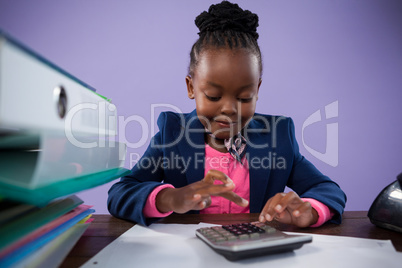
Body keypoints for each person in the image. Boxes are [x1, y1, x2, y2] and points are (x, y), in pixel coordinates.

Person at [108, 1, 346, 227]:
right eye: (213, 96)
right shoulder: (173, 134)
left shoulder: (277, 137)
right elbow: (120, 193)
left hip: (254, 251)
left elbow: (328, 189)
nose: (230, 109)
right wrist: (171, 198)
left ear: (257, 90)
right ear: (191, 88)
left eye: (244, 98)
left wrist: (309, 209)